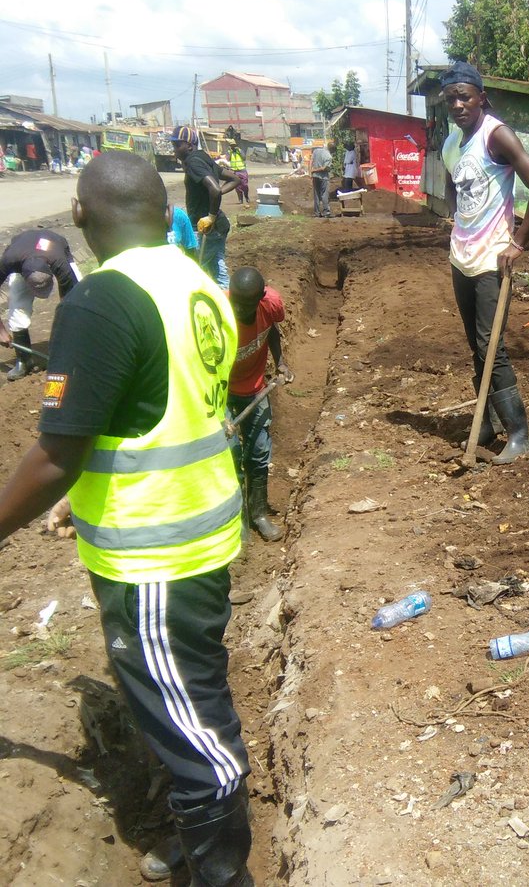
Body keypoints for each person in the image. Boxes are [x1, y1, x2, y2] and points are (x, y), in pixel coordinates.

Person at [0, 152, 253, 885]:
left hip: (153, 557)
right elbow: (163, 406)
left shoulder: (102, 300)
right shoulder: (195, 282)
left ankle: (224, 870)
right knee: (191, 695)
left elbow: (58, 454)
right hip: (199, 531)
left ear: (79, 215)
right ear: (164, 210)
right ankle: (193, 832)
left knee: (197, 738)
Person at [442, 60, 529, 464]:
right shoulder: (451, 143)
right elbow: (451, 185)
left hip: (493, 260)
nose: (457, 105)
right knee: (476, 344)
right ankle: (486, 424)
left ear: (481, 98)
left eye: (464, 97)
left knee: (493, 346)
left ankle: (520, 435)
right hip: (461, 259)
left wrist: (517, 243)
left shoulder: (496, 135)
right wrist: (456, 219)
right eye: (451, 99)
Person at [226, 266, 291, 542]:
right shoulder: (217, 312)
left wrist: (281, 362)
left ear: (260, 298)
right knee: (230, 455)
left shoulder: (271, 304)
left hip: (255, 388)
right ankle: (236, 519)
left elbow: (271, 330)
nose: (240, 310)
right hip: (222, 391)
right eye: (236, 304)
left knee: (259, 452)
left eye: (247, 305)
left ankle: (259, 513)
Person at [0, 229, 81, 380]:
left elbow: (68, 301)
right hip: (22, 254)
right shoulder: (9, 261)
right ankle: (24, 361)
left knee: (78, 300)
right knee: (17, 306)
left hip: (56, 247)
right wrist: (1, 331)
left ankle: (76, 350)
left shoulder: (60, 264)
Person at [171, 125, 238, 286]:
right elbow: (235, 179)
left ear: (189, 145)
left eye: (177, 145)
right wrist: (215, 195)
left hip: (205, 228)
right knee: (217, 269)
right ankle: (226, 297)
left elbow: (215, 189)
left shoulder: (193, 162)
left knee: (194, 271)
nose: (174, 149)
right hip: (218, 226)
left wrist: (211, 217)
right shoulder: (203, 157)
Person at [310, 142, 332, 218]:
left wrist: (311, 171)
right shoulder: (328, 156)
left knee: (316, 195)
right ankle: (326, 212)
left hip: (315, 176)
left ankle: (317, 212)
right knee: (324, 194)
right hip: (323, 177)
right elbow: (324, 168)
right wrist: (314, 170)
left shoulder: (316, 151)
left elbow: (311, 160)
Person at [228, 142, 250, 207]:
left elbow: (244, 158)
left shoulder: (240, 151)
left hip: (242, 170)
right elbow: (228, 159)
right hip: (235, 171)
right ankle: (240, 199)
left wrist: (239, 151)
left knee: (245, 185)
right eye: (232, 146)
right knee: (237, 187)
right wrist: (230, 152)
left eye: (234, 146)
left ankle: (246, 196)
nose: (233, 147)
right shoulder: (230, 152)